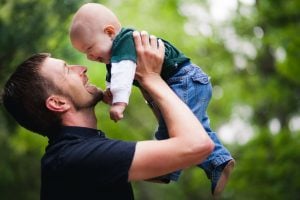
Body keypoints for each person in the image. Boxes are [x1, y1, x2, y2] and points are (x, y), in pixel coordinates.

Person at [1, 31, 214, 200]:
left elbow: (163, 171)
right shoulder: (74, 158)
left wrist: (148, 85)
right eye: (67, 70)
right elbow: (197, 145)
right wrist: (150, 77)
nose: (82, 67)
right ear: (58, 103)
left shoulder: (74, 155)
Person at [69, 3, 235, 197]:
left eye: (90, 48)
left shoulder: (124, 41)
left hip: (185, 80)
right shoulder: (114, 57)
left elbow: (122, 75)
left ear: (109, 32)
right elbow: (115, 79)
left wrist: (119, 103)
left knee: (174, 128)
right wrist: (110, 92)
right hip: (185, 82)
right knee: (194, 127)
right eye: (85, 54)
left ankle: (172, 169)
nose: (89, 57)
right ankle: (215, 162)